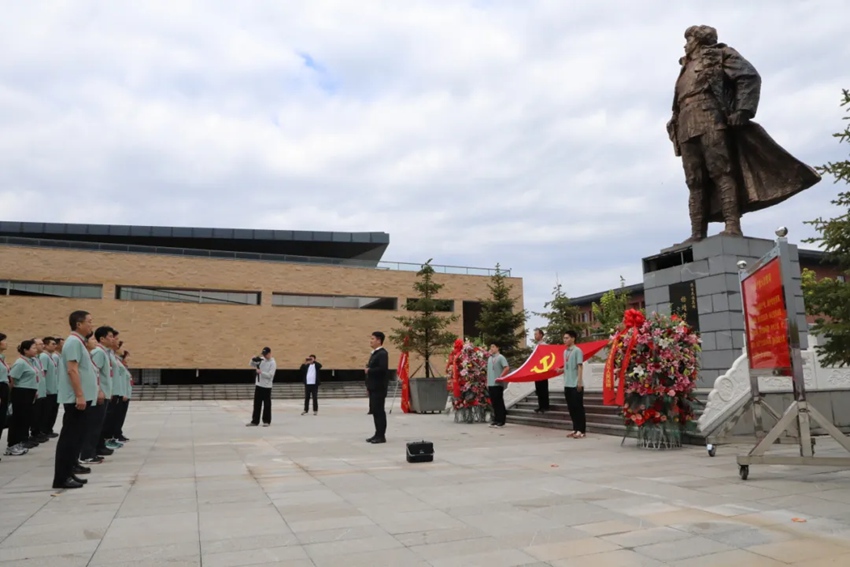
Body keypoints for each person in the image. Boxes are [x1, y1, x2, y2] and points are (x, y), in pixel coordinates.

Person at [53, 310, 97, 489]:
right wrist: (79, 395)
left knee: (77, 437)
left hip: (82, 398)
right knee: (69, 438)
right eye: (89, 321)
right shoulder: (73, 342)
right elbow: (72, 370)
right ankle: (61, 477)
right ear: (79, 324)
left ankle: (69, 472)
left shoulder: (78, 342)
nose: (91, 325)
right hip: (76, 399)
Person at [80, 326, 115, 464]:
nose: (113, 339)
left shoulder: (104, 352)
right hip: (99, 393)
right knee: (93, 426)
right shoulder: (99, 352)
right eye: (110, 336)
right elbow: (96, 373)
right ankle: (87, 454)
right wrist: (99, 390)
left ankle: (94, 450)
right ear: (102, 338)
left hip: (103, 392)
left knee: (98, 425)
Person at [7, 340, 40, 455]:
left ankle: (19, 442)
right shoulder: (20, 362)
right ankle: (12, 445)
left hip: (29, 393)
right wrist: (9, 395)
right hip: (21, 393)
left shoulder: (31, 361)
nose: (36, 350)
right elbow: (12, 378)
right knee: (18, 419)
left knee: (24, 419)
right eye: (33, 348)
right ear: (25, 350)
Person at [557, 330, 586, 439]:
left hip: (575, 384)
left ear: (573, 339)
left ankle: (581, 430)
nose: (565, 340)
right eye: (564, 338)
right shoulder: (565, 352)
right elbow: (568, 366)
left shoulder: (577, 351)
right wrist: (561, 370)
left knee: (578, 407)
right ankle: (575, 428)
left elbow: (579, 366)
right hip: (567, 384)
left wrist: (579, 381)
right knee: (571, 407)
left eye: (567, 338)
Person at [365, 332, 388, 444]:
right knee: (375, 411)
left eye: (373, 338)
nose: (371, 341)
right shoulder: (375, 353)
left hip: (379, 387)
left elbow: (382, 369)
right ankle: (377, 433)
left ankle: (381, 435)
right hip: (373, 387)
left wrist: (369, 370)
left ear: (379, 340)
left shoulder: (382, 353)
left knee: (379, 412)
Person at [247, 347, 276, 427]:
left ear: (269, 353)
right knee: (257, 404)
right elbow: (252, 364)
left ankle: (266, 421)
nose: (264, 356)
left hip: (267, 386)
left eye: (266, 354)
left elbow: (270, 375)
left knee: (267, 404)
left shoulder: (272, 363)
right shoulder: (261, 360)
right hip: (259, 385)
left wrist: (261, 372)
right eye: (263, 354)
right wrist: (252, 359)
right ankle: (255, 421)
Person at [0, 333, 18, 458]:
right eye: (4, 341)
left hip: (4, 388)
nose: (6, 343)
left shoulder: (2, 358)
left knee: (2, 420)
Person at [29, 338, 49, 445]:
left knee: (40, 413)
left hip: (41, 390)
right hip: (35, 391)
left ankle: (38, 432)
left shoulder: (37, 358)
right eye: (40, 344)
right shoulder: (31, 360)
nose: (43, 346)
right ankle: (33, 433)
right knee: (34, 414)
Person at [39, 337, 60, 438]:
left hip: (54, 389)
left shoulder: (51, 356)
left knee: (52, 411)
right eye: (52, 344)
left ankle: (48, 429)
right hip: (48, 390)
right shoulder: (44, 356)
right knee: (46, 412)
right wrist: (44, 388)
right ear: (46, 345)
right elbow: (43, 373)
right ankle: (44, 430)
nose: (55, 346)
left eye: (55, 344)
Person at [487, 344, 510, 428]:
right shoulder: (490, 358)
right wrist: (487, 382)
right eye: (491, 347)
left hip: (497, 384)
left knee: (499, 402)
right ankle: (496, 419)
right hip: (490, 383)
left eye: (493, 347)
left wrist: (501, 376)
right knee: (494, 402)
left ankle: (501, 420)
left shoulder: (501, 357)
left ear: (497, 348)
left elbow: (506, 368)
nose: (491, 348)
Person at [113, 349, 131, 442]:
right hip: (120, 393)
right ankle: (115, 434)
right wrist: (123, 393)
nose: (127, 360)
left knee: (120, 416)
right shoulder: (116, 362)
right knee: (116, 416)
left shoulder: (122, 366)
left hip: (124, 393)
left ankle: (118, 433)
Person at [532, 328, 550, 414]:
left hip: (543, 370)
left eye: (536, 334)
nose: (535, 336)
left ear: (541, 335)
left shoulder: (544, 345)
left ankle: (545, 406)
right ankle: (540, 406)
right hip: (537, 370)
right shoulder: (536, 346)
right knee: (538, 389)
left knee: (543, 388)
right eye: (534, 334)